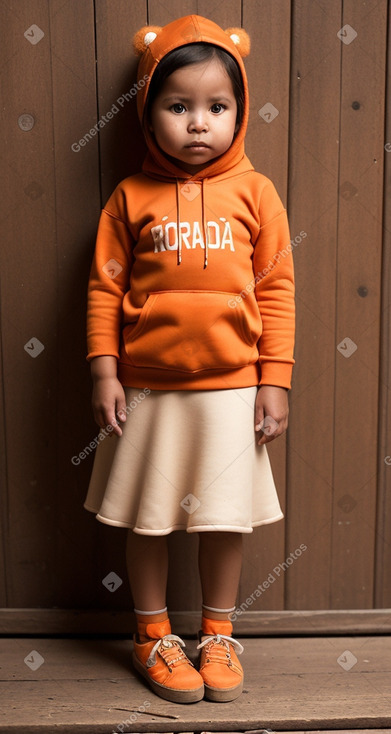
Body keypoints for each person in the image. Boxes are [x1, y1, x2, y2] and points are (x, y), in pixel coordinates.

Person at [84, 14, 295, 705]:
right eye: (178, 107)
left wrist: (273, 381)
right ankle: (151, 634)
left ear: (239, 112)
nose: (198, 124)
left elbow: (277, 289)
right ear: (148, 113)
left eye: (216, 107)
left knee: (222, 516)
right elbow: (104, 287)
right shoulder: (129, 198)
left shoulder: (257, 193)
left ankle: (217, 631)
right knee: (150, 516)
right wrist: (105, 371)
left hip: (231, 390)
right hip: (147, 389)